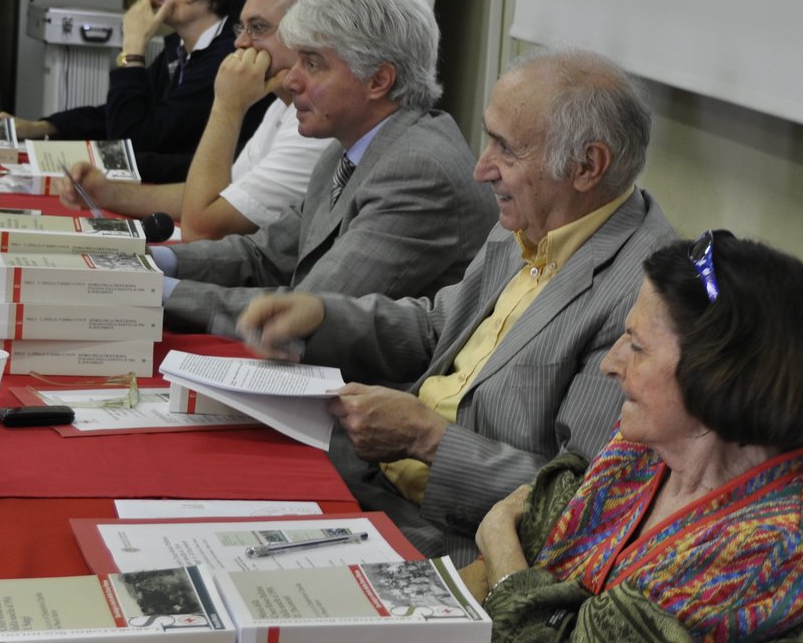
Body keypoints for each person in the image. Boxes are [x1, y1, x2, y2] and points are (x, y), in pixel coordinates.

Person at [237, 48, 675, 564]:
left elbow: (578, 503)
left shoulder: (642, 297)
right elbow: (439, 330)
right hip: (374, 477)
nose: (480, 168)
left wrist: (427, 438)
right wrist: (323, 315)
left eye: (506, 149)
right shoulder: (536, 216)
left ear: (586, 166)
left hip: (453, 541)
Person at [473, 232, 803, 643]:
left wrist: (497, 536)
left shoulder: (776, 546)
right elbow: (542, 557)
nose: (610, 363)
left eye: (636, 346)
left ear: (716, 374)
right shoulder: (648, 446)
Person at [159, 0, 496, 329]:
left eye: (313, 64)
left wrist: (157, 291)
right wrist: (152, 261)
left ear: (378, 81)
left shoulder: (419, 170)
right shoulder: (347, 148)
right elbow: (265, 255)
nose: (290, 81)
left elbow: (308, 312)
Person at [59, 0, 332, 241]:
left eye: (258, 28)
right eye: (242, 28)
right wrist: (109, 193)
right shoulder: (281, 107)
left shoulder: (316, 126)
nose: (240, 43)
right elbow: (222, 195)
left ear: (306, 35)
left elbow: (201, 227)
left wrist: (228, 106)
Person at [7, 0, 256, 183]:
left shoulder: (226, 58)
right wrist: (42, 128)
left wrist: (133, 46)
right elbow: (124, 112)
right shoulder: (177, 48)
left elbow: (132, 138)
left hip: (189, 197)